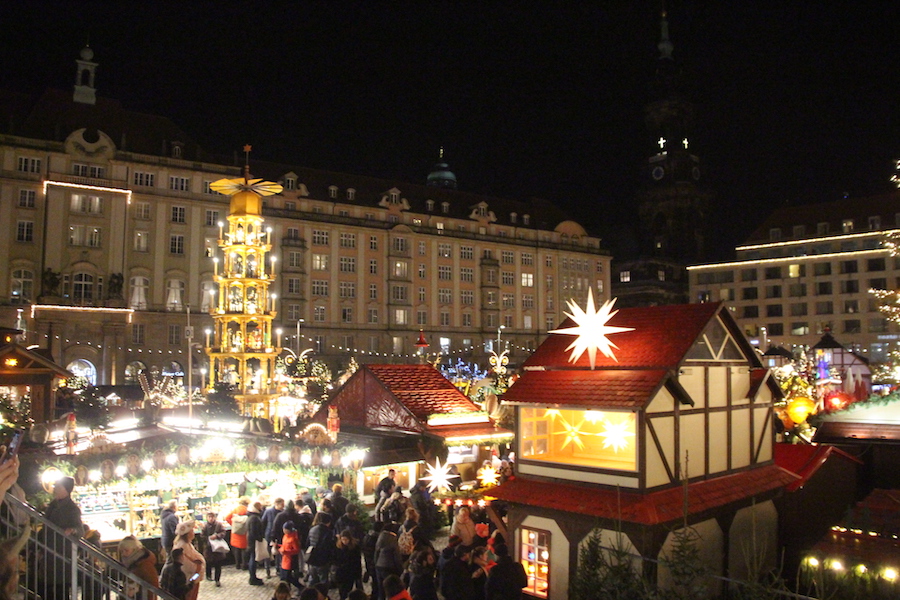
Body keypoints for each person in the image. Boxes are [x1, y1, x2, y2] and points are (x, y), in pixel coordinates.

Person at [44, 476, 83, 600]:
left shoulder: (72, 509)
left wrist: (72, 530)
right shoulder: (53, 505)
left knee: (61, 589)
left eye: (58, 487)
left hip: (61, 552)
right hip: (49, 551)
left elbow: (80, 529)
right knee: (49, 588)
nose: (55, 489)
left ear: (66, 490)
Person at [119, 536, 159, 600]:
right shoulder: (131, 563)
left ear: (135, 550)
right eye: (122, 551)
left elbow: (153, 586)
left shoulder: (145, 565)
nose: (123, 554)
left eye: (126, 550)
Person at [172, 521, 204, 600]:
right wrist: (198, 568)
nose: (193, 533)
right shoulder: (182, 545)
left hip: (195, 576)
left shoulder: (187, 544)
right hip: (190, 577)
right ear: (187, 533)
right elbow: (185, 564)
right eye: (192, 531)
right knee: (190, 596)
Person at [373, 522, 402, 600]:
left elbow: (376, 553)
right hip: (389, 568)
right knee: (390, 590)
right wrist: (400, 570)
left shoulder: (381, 537)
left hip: (379, 567)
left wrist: (376, 564)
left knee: (381, 590)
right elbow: (396, 557)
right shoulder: (392, 539)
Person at [305, 512, 335, 587]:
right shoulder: (328, 532)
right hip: (322, 560)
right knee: (323, 580)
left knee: (313, 579)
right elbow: (329, 547)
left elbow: (307, 543)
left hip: (312, 558)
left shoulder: (312, 529)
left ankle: (310, 593)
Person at [333, 529, 362, 600]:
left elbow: (357, 561)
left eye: (346, 539)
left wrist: (358, 574)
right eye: (343, 540)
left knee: (348, 589)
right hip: (341, 573)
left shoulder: (355, 548)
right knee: (342, 591)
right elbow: (334, 559)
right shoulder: (338, 547)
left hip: (350, 573)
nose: (344, 541)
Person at [201, 511, 227, 587]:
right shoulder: (205, 526)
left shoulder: (219, 525)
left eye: (212, 517)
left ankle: (217, 579)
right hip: (209, 548)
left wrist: (217, 536)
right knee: (208, 563)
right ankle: (208, 575)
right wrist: (208, 539)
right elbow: (202, 536)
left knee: (218, 564)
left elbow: (223, 533)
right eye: (209, 517)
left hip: (218, 548)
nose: (211, 519)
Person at [277, 522, 303, 594]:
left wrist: (285, 552)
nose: (283, 530)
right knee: (285, 576)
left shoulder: (293, 538)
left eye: (285, 529)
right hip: (285, 559)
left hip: (290, 559)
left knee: (287, 577)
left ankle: (300, 587)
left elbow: (296, 550)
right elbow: (284, 546)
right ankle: (287, 590)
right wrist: (278, 546)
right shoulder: (285, 536)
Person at [225, 497, 250, 569]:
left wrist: (233, 525)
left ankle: (237, 564)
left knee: (236, 549)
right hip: (244, 532)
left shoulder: (235, 510)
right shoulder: (247, 510)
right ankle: (244, 565)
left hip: (235, 533)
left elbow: (227, 518)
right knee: (244, 549)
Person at [262, 497, 285, 578]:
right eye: (282, 505)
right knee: (268, 553)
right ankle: (267, 570)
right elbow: (263, 522)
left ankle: (278, 569)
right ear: (277, 504)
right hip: (269, 535)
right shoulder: (268, 511)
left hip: (279, 535)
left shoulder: (283, 512)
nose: (283, 506)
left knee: (279, 553)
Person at [246, 501, 265, 585]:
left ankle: (253, 577)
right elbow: (253, 531)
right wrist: (259, 538)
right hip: (254, 542)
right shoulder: (254, 518)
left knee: (253, 558)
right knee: (253, 559)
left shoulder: (251, 516)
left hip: (251, 541)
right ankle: (253, 578)